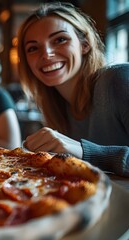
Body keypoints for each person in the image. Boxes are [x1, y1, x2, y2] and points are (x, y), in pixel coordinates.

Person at [17, 2, 129, 176]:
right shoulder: (56, 109)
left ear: (85, 44)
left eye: (60, 39)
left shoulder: (119, 79)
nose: (46, 54)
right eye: (33, 48)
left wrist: (84, 151)